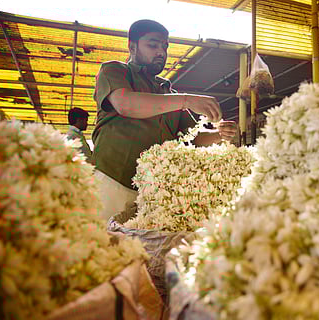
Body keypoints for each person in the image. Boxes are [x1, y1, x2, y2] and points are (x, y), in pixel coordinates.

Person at [92, 19, 238, 220]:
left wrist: (219, 134)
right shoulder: (115, 71)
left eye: (165, 46)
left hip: (154, 191)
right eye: (152, 45)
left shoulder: (167, 92)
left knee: (139, 247)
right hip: (113, 182)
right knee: (103, 243)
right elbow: (126, 104)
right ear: (132, 46)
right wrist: (186, 100)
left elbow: (192, 137)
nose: (161, 52)